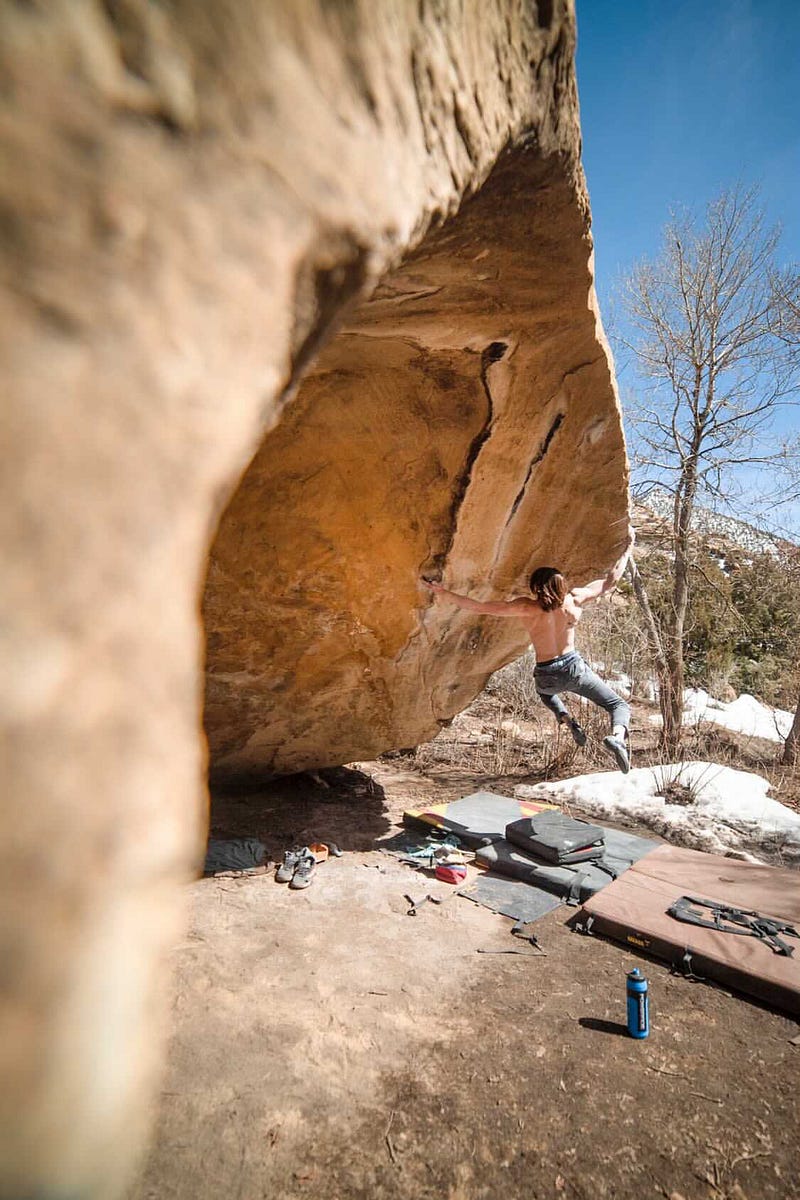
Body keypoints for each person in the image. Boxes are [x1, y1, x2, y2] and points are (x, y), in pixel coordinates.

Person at [422, 528, 635, 773]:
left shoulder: (526, 608)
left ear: (535, 588)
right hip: (573, 668)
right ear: (562, 585)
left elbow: (480, 607)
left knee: (546, 694)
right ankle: (617, 737)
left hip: (546, 673)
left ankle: (567, 720)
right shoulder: (574, 601)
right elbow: (610, 581)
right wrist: (628, 547)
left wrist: (442, 592)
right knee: (618, 705)